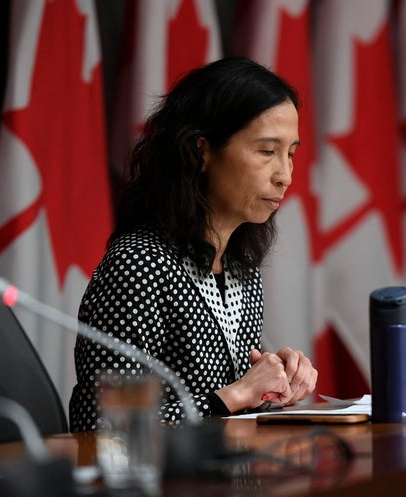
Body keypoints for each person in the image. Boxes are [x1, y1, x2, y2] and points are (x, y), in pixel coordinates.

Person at [69, 56, 318, 429]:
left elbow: (230, 419)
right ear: (201, 151)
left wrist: (277, 385)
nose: (285, 175)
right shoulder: (139, 264)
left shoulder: (241, 271)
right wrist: (235, 396)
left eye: (291, 154)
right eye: (267, 152)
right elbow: (104, 424)